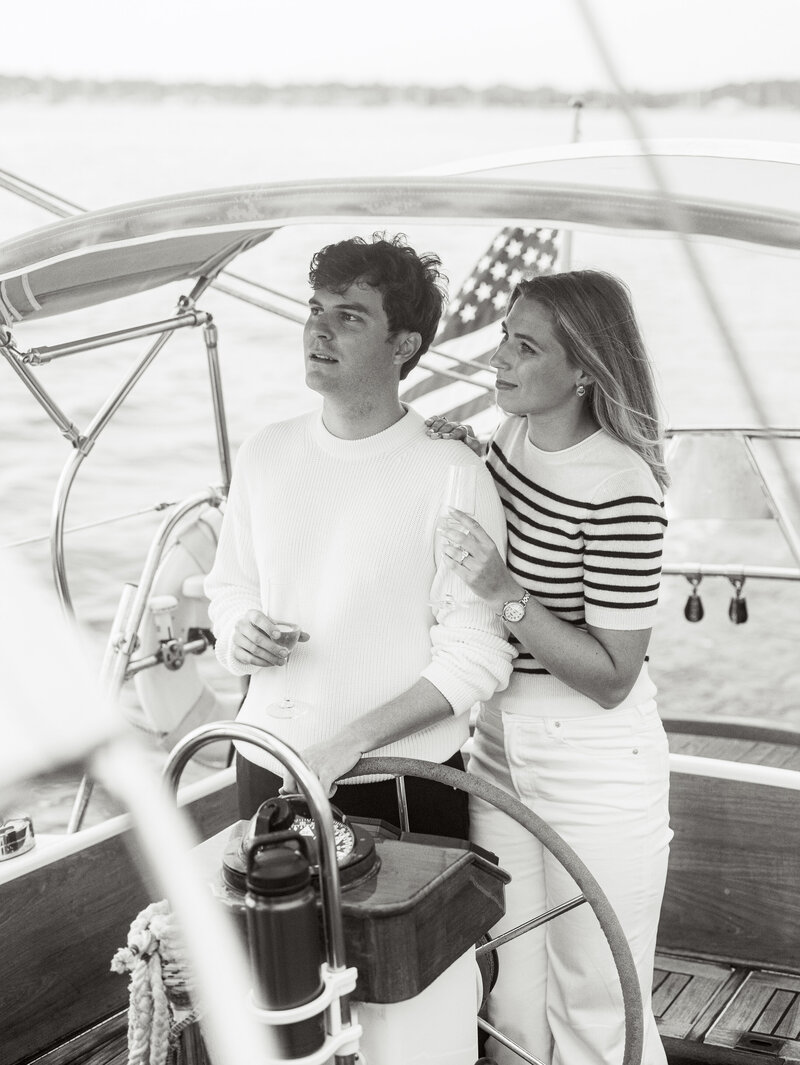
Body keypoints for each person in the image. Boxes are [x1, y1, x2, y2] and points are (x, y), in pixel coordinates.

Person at [426, 270, 672, 1065]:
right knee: (511, 1000)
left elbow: (613, 674)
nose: (499, 357)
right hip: (499, 742)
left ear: (584, 371)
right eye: (505, 335)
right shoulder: (509, 438)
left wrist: (505, 592)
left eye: (525, 347)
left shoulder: (623, 486)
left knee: (598, 1008)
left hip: (594, 760)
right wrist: (465, 457)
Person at [204, 233, 514, 840]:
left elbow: (477, 652)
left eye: (348, 317)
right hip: (265, 761)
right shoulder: (265, 451)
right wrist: (240, 632)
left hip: (401, 780)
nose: (318, 331)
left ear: (404, 345)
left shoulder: (453, 473)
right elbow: (230, 588)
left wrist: (352, 741)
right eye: (315, 310)